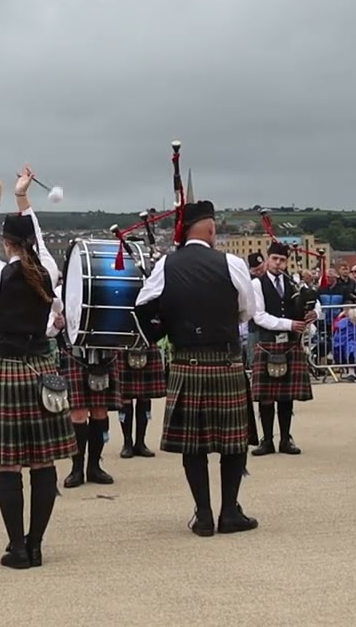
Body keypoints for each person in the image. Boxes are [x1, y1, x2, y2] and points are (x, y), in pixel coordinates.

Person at [0, 163, 72, 569]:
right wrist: (24, 198)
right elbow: (36, 240)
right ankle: (37, 544)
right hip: (42, 370)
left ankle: (17, 547)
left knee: (8, 464)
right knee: (43, 461)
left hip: (5, 372)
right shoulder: (49, 271)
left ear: (7, 243)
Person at [134, 199, 259, 537]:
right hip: (226, 360)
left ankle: (203, 515)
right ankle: (229, 512)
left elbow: (142, 305)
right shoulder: (231, 263)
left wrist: (168, 322)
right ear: (210, 228)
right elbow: (247, 310)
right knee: (233, 442)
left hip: (186, 361)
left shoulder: (166, 265)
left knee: (194, 444)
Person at [250, 242, 319, 457]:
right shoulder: (257, 285)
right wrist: (289, 324)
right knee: (267, 396)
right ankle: (267, 440)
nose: (278, 264)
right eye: (274, 259)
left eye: (282, 260)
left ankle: (286, 439)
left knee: (286, 396)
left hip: (290, 344)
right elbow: (259, 315)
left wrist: (314, 313)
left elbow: (313, 301)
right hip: (268, 342)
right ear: (268, 259)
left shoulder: (294, 282)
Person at [57, 317, 120, 488]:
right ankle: (76, 469)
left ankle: (94, 467)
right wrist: (56, 324)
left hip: (103, 348)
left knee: (100, 412)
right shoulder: (63, 291)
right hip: (74, 350)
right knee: (78, 414)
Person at [116, 341, 167, 460]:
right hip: (124, 341)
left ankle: (140, 443)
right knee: (125, 397)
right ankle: (127, 443)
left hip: (147, 342)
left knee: (145, 396)